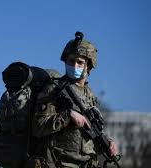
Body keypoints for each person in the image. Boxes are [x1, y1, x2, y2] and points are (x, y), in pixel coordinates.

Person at [31, 32, 118, 168]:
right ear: (65, 61)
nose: (75, 65)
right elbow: (38, 127)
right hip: (59, 163)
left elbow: (92, 131)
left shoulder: (89, 95)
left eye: (80, 62)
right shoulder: (53, 89)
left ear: (88, 66)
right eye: (71, 61)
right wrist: (68, 115)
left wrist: (108, 142)